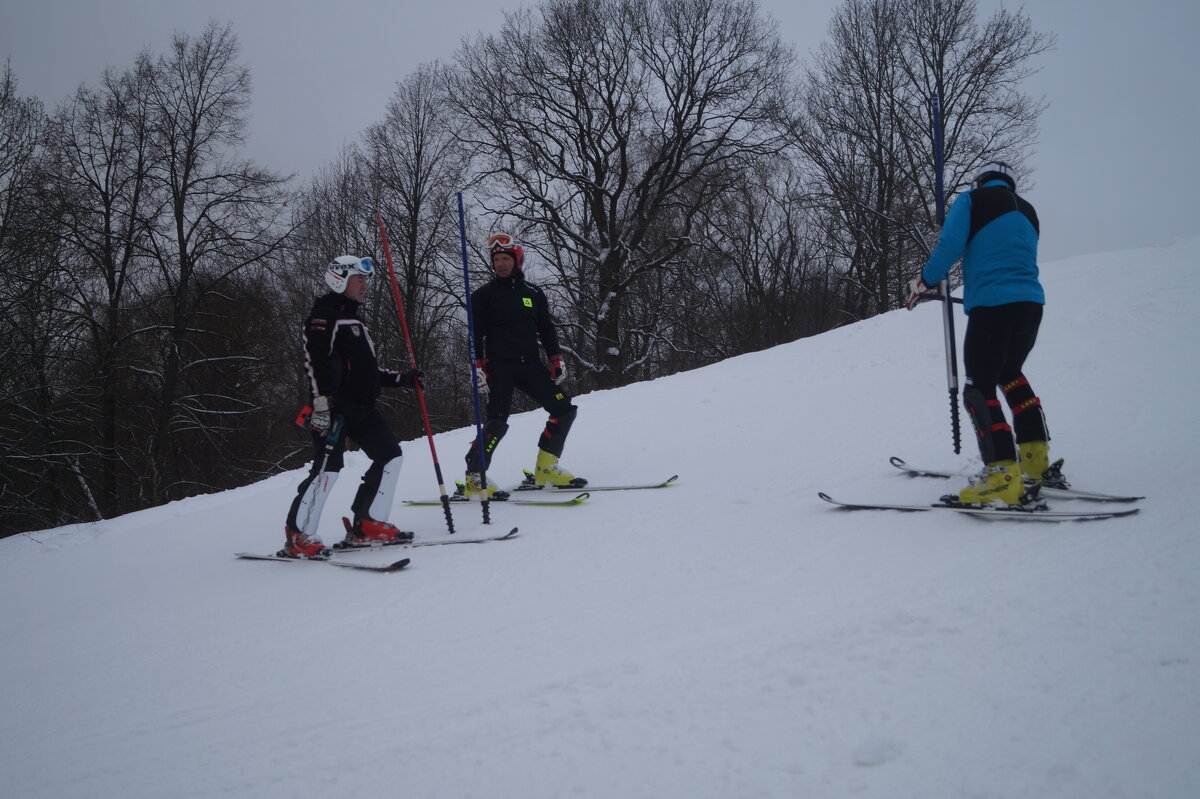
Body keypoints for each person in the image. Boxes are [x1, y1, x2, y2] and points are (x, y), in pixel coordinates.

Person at [905, 160, 1065, 507]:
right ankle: (1036, 461)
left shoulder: (972, 200)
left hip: (993, 305)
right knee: (1010, 373)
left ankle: (1002, 475)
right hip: (1030, 306)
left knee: (978, 386)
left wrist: (923, 282)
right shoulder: (1028, 211)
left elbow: (950, 247)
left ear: (981, 181)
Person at [281, 255, 423, 559]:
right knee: (327, 468)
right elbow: (315, 364)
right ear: (340, 280)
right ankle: (299, 535)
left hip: (362, 407)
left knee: (390, 456)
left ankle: (368, 523)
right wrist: (321, 405)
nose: (365, 286)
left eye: (366, 280)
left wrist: (403, 379)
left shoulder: (354, 319)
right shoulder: (324, 317)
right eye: (360, 279)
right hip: (333, 408)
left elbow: (366, 371)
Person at [460, 233, 584, 498]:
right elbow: (474, 333)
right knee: (497, 422)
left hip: (530, 365)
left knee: (564, 409)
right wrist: (477, 365)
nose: (501, 264)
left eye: (506, 258)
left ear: (518, 261)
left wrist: (555, 358)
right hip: (499, 367)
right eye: (497, 259)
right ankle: (474, 478)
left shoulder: (534, 294)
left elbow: (546, 329)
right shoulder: (483, 295)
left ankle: (546, 468)